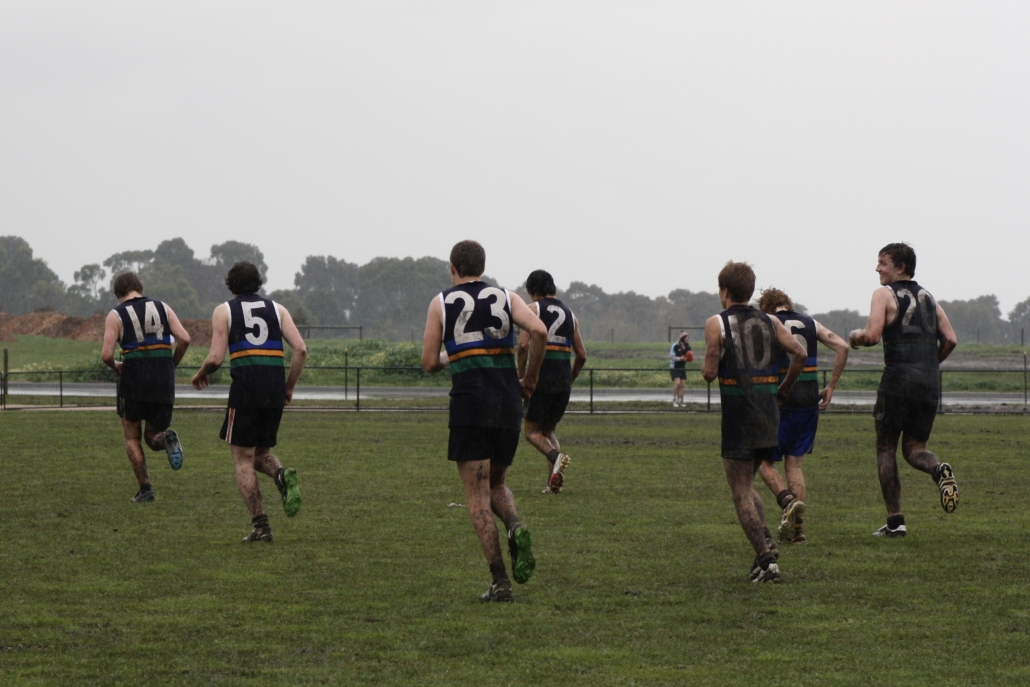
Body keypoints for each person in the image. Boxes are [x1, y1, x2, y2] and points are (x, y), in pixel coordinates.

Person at [421, 240, 548, 602]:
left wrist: (455, 353)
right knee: (496, 483)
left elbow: (429, 362)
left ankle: (500, 581)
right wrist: (531, 378)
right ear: (483, 266)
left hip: (470, 403)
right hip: (507, 401)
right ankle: (515, 524)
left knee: (476, 495)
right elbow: (538, 332)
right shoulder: (507, 297)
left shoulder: (441, 302)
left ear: (452, 268)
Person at [701, 262, 806, 583]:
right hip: (769, 413)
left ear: (725, 291)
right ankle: (767, 543)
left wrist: (713, 362)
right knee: (749, 485)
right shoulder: (771, 320)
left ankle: (766, 561)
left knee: (740, 491)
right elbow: (799, 353)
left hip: (739, 413)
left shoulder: (716, 323)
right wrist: (784, 388)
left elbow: (708, 371)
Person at [191, 261, 307, 542]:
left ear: (230, 284)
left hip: (246, 388)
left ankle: (261, 527)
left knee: (243, 459)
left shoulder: (224, 311)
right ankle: (280, 475)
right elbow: (301, 349)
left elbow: (217, 358)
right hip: (273, 387)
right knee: (260, 454)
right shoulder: (278, 309)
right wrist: (288, 387)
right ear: (258, 282)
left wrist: (200, 372)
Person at [849, 243, 959, 538]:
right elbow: (950, 339)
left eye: (882, 262)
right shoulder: (929, 298)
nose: (877, 268)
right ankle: (938, 470)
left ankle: (895, 522)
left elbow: (872, 335)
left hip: (897, 380)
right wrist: (928, 366)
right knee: (915, 449)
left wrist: (854, 336)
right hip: (928, 383)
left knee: (886, 448)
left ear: (900, 267)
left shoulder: (884, 294)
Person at [755, 287, 850, 544]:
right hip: (809, 400)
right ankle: (798, 531)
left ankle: (786, 502)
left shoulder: (767, 322)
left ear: (767, 306)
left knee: (762, 461)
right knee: (794, 464)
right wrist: (830, 386)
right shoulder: (810, 322)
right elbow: (842, 346)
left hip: (780, 399)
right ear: (788, 304)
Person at [101, 271, 191, 503]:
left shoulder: (116, 314)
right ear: (139, 287)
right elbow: (185, 339)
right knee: (154, 436)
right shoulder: (163, 307)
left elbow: (106, 354)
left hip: (134, 378)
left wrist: (117, 365)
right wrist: (172, 364)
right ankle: (166, 439)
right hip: (163, 378)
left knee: (133, 437)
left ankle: (146, 489)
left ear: (118, 293)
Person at [516, 269, 587, 494]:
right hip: (563, 380)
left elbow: (523, 346)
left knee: (531, 431)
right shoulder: (571, 314)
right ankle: (553, 482)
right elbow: (582, 355)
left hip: (541, 377)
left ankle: (555, 457)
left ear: (533, 291)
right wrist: (570, 378)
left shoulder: (533, 309)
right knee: (549, 431)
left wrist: (523, 375)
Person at [668, 331, 694, 407]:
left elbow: (688, 356)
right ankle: (674, 400)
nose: (687, 339)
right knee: (677, 383)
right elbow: (672, 357)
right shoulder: (675, 346)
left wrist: (690, 359)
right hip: (675, 367)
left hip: (682, 367)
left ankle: (680, 401)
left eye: (688, 337)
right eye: (685, 337)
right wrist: (680, 358)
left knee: (682, 385)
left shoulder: (688, 347)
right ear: (682, 338)